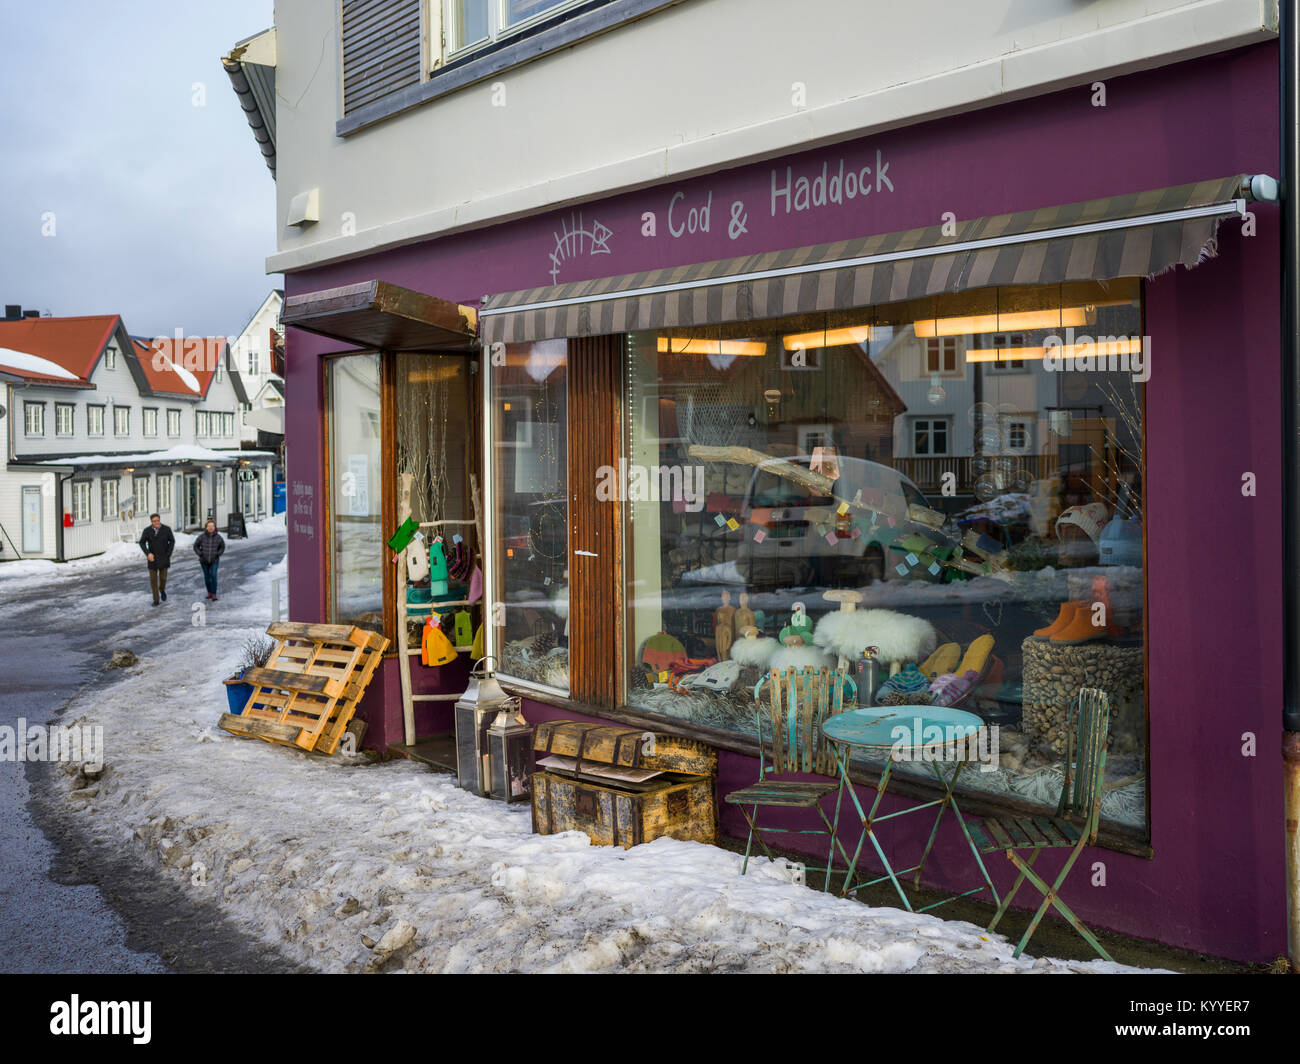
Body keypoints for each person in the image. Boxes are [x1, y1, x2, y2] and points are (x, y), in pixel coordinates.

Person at [138, 513, 175, 607]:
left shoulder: (166, 529)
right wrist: (148, 553)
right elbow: (142, 542)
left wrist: (168, 554)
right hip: (152, 559)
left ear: (160, 520)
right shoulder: (147, 531)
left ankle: (162, 589)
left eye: (158, 520)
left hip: (164, 558)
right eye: (154, 521)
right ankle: (156, 599)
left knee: (163, 579)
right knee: (153, 581)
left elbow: (172, 541)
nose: (156, 522)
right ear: (151, 522)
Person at [194, 518, 226, 600]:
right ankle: (209, 592)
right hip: (204, 561)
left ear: (215, 527)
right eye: (209, 526)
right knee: (207, 577)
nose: (211, 527)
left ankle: (214, 594)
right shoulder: (202, 537)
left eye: (212, 526)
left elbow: (222, 547)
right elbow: (195, 546)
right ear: (206, 527)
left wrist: (218, 554)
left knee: (213, 575)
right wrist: (200, 554)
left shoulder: (218, 537)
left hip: (214, 560)